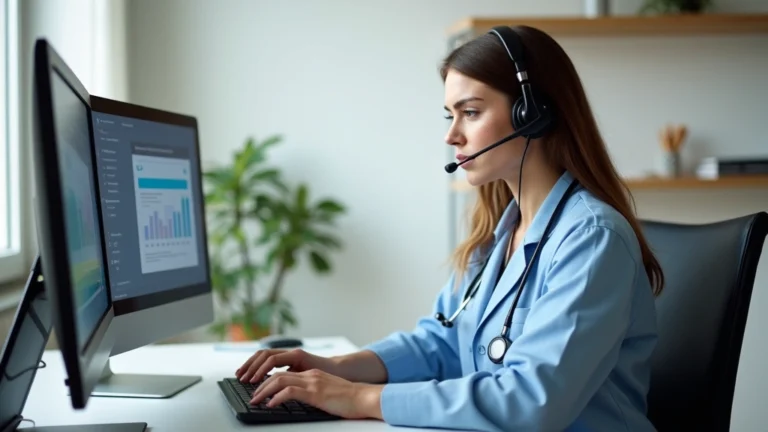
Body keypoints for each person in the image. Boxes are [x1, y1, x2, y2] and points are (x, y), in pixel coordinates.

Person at [236, 25, 664, 432]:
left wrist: (358, 398)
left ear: (533, 115)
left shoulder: (591, 238)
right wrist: (334, 368)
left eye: (471, 113)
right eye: (450, 116)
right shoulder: (499, 235)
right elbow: (440, 343)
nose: (452, 136)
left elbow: (532, 400)